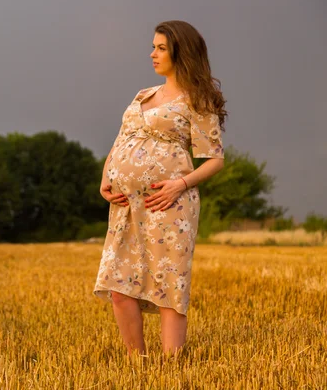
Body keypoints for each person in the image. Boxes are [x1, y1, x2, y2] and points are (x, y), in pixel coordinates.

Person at [93, 20, 227, 359]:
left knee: (169, 287)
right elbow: (121, 139)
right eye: (153, 46)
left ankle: (171, 370)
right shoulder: (143, 95)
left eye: (161, 48)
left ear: (181, 52)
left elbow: (214, 159)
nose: (152, 54)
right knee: (120, 286)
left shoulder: (198, 100)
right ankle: (137, 364)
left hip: (169, 205)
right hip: (124, 205)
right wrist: (106, 179)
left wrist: (179, 185)